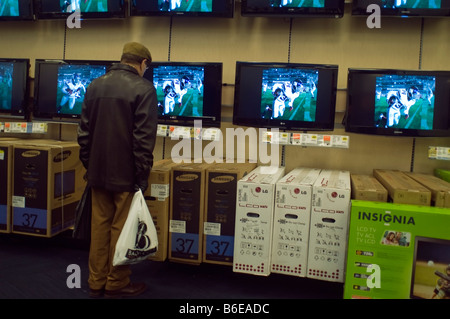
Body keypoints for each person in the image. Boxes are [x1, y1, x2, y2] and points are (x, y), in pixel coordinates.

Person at [77, 42, 158, 298]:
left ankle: (95, 281)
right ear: (143, 63)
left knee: (99, 227)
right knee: (121, 229)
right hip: (126, 175)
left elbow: (84, 134)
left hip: (98, 173)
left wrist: (90, 167)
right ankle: (116, 282)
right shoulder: (144, 89)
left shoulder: (95, 85)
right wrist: (142, 177)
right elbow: (143, 141)